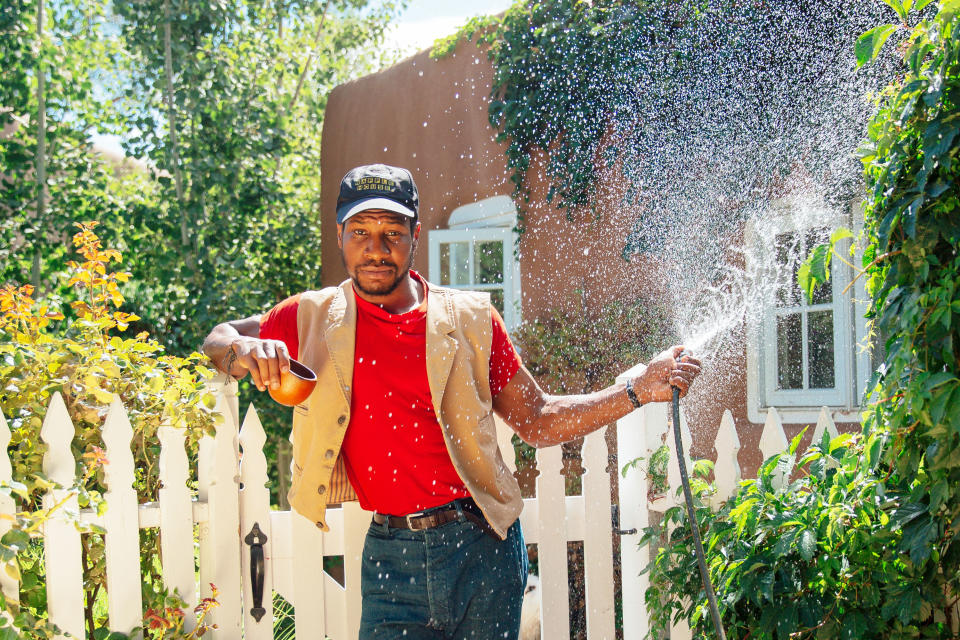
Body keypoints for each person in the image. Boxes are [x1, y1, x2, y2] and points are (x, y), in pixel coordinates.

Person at [202, 163, 701, 640]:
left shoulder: (469, 319)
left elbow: (537, 418)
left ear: (414, 236)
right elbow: (217, 339)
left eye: (392, 233)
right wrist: (243, 349)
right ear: (340, 236)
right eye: (360, 232)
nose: (376, 249)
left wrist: (636, 391)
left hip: (481, 547)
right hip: (388, 553)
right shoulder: (310, 315)